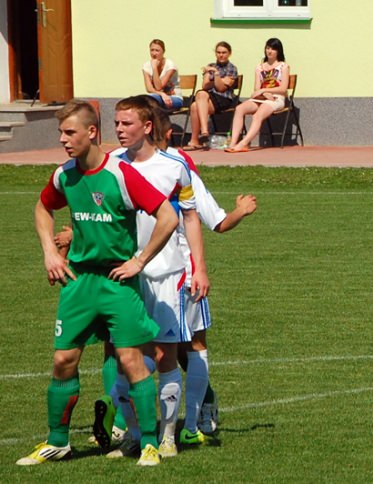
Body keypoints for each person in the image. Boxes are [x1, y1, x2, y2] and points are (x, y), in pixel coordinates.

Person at [17, 99, 179, 467]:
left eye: (69, 132)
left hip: (116, 282)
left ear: (92, 133)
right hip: (78, 282)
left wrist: (139, 261)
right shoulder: (64, 175)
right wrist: (49, 252)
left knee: (130, 360)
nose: (63, 139)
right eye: (61, 132)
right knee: (63, 359)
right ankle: (58, 442)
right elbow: (43, 207)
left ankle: (149, 443)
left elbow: (166, 215)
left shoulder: (121, 174)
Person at [108, 96, 210, 458]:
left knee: (167, 356)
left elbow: (192, 218)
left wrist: (199, 267)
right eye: (116, 123)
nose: (118, 129)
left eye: (126, 123)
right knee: (124, 358)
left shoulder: (174, 166)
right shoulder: (111, 166)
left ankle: (168, 435)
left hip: (167, 274)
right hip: (122, 276)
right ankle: (135, 435)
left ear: (147, 127)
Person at [158, 112, 257, 439]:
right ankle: (126, 426)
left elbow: (216, 221)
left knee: (187, 345)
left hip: (180, 271)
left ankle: (199, 412)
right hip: (137, 270)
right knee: (132, 346)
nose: (123, 130)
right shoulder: (120, 164)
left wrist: (240, 211)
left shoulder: (179, 166)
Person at [225, 38, 289, 153]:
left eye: (273, 49)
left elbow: (283, 88)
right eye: (267, 48)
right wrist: (263, 93)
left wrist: (264, 90)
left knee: (257, 115)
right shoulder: (259, 67)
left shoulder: (283, 66)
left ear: (278, 51)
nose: (269, 51)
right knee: (240, 108)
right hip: (261, 97)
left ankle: (243, 144)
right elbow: (256, 89)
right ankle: (233, 142)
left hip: (276, 98)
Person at [184, 41, 238, 151]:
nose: (221, 55)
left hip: (224, 99)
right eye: (218, 52)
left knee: (198, 101)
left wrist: (216, 74)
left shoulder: (231, 68)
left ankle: (197, 137)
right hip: (209, 97)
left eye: (224, 52)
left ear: (229, 53)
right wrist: (220, 80)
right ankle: (201, 134)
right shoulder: (211, 66)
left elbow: (221, 88)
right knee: (197, 100)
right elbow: (205, 85)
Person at [142, 39, 183, 110]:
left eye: (157, 50)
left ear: (163, 52)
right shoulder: (146, 66)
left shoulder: (170, 65)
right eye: (152, 50)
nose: (154, 53)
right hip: (157, 97)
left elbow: (159, 87)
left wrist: (154, 68)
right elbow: (149, 89)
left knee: (149, 102)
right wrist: (162, 94)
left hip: (173, 98)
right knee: (145, 102)